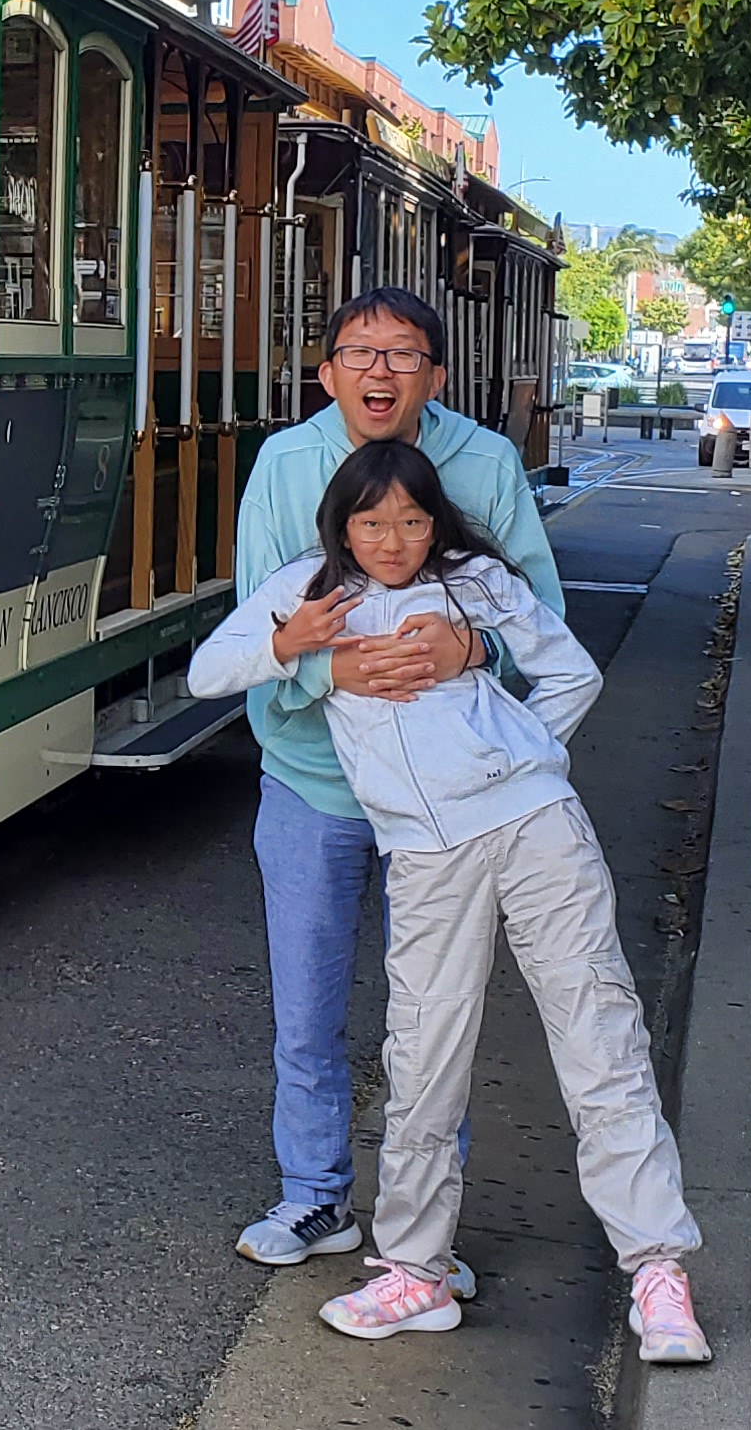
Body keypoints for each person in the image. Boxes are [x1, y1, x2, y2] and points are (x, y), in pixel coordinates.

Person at [189, 441, 708, 1363]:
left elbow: (574, 673)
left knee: (600, 1036)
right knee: (423, 1057)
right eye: (371, 522)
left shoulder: (477, 582)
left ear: (436, 522)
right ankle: (415, 1271)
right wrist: (288, 644)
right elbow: (205, 674)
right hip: (425, 853)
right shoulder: (309, 589)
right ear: (342, 525)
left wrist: (520, 751)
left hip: (536, 827)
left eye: (411, 521)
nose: (392, 541)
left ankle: (658, 1272)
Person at [225, 289, 565, 1278]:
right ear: (326, 372)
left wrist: (474, 649)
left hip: (448, 799)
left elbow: (541, 622)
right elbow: (255, 631)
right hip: (315, 783)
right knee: (307, 1009)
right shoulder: (283, 465)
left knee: (435, 1016)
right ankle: (314, 1197)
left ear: (436, 376)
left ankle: (425, 1235)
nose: (381, 371)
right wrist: (332, 670)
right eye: (360, 353)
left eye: (404, 354)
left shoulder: (486, 464)